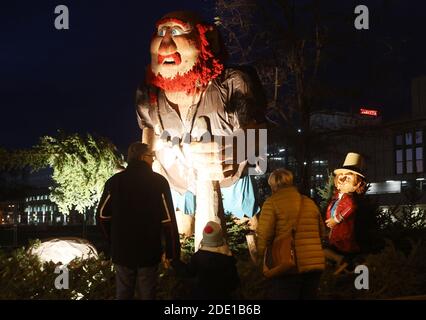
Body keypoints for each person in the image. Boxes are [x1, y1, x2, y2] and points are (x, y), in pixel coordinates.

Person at [136, 11, 266, 249]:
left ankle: (257, 274)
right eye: (161, 32)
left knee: (248, 224)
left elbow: (258, 135)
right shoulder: (149, 95)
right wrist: (141, 167)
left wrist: (232, 152)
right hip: (177, 179)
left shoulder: (233, 82)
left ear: (208, 40)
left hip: (229, 178)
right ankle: (179, 272)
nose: (165, 43)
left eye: (177, 32)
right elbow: (148, 131)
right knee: (181, 228)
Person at [96, 142, 180, 300]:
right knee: (147, 294)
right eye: (152, 157)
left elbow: (101, 216)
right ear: (143, 157)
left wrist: (112, 240)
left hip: (122, 251)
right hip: (148, 251)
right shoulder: (159, 182)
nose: (153, 160)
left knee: (123, 294)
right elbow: (168, 220)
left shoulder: (114, 182)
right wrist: (172, 252)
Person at [256, 168, 325, 300]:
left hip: (288, 265)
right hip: (314, 265)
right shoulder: (309, 202)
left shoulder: (271, 203)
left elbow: (265, 235)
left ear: (273, 185)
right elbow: (322, 232)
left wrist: (262, 256)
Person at [324, 152, 367, 274]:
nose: (342, 180)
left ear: (357, 184)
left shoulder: (349, 200)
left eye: (348, 177)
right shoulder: (337, 197)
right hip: (334, 234)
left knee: (331, 252)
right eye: (341, 176)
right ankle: (342, 265)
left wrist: (336, 220)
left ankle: (345, 264)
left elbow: (351, 208)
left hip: (344, 237)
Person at [184, 221, 240, 299]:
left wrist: (175, 262)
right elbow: (234, 282)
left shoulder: (198, 257)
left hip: (200, 296)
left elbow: (188, 273)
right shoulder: (227, 259)